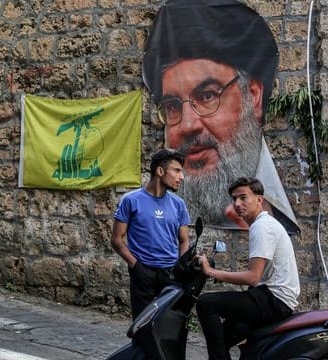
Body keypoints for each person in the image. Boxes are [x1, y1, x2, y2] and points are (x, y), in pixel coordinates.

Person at [142, 0, 299, 233]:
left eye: (207, 96)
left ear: (253, 97)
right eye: (172, 106)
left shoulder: (271, 224)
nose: (187, 125)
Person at [195, 177, 300, 360]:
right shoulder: (264, 224)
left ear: (259, 200)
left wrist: (211, 271)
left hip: (274, 300)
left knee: (206, 303)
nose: (237, 203)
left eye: (243, 197)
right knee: (226, 336)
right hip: (269, 297)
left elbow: (253, 277)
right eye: (234, 199)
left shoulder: (261, 227)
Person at [112, 148, 191, 319]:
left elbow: (184, 240)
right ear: (160, 171)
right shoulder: (130, 201)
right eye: (176, 171)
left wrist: (180, 267)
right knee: (142, 327)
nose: (181, 177)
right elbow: (117, 240)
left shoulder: (178, 204)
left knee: (169, 326)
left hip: (170, 275)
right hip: (143, 274)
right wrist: (136, 266)